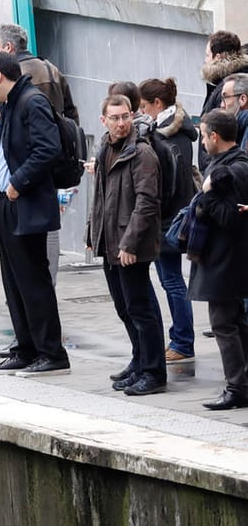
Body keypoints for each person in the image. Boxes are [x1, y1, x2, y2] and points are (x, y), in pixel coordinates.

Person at [0, 51, 70, 377]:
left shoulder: (31, 102)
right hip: (6, 204)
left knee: (33, 281)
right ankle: (25, 347)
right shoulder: (11, 104)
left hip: (24, 203)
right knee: (14, 282)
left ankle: (51, 352)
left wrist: (18, 182)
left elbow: (48, 148)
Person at [87, 94, 167, 396]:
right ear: (103, 120)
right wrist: (92, 234)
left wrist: (130, 243)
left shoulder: (141, 152)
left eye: (126, 117)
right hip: (110, 243)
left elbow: (147, 202)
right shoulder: (106, 147)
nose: (121, 123)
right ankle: (139, 361)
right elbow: (101, 199)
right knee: (124, 307)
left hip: (130, 246)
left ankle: (153, 372)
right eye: (115, 118)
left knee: (140, 308)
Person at [189, 109, 248, 410]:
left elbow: (230, 219)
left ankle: (236, 388)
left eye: (202, 135)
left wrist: (207, 194)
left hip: (226, 261)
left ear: (214, 136)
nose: (201, 142)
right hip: (226, 260)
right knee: (235, 322)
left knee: (224, 324)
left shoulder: (233, 171)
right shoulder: (229, 164)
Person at [138, 77, 198, 365]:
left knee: (172, 281)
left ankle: (183, 341)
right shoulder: (175, 132)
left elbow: (169, 181)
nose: (141, 112)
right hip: (173, 215)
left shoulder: (168, 136)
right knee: (171, 280)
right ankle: (181, 338)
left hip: (168, 218)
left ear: (157, 104)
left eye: (144, 106)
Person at [0, 22, 80, 124]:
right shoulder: (51, 69)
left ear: (8, 47)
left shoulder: (7, 77)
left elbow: (1, 123)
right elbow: (71, 113)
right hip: (56, 136)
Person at [200, 31, 248, 166]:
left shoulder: (228, 86)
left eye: (207, 55)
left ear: (218, 57)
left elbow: (217, 131)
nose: (205, 60)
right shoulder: (221, 83)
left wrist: (213, 171)